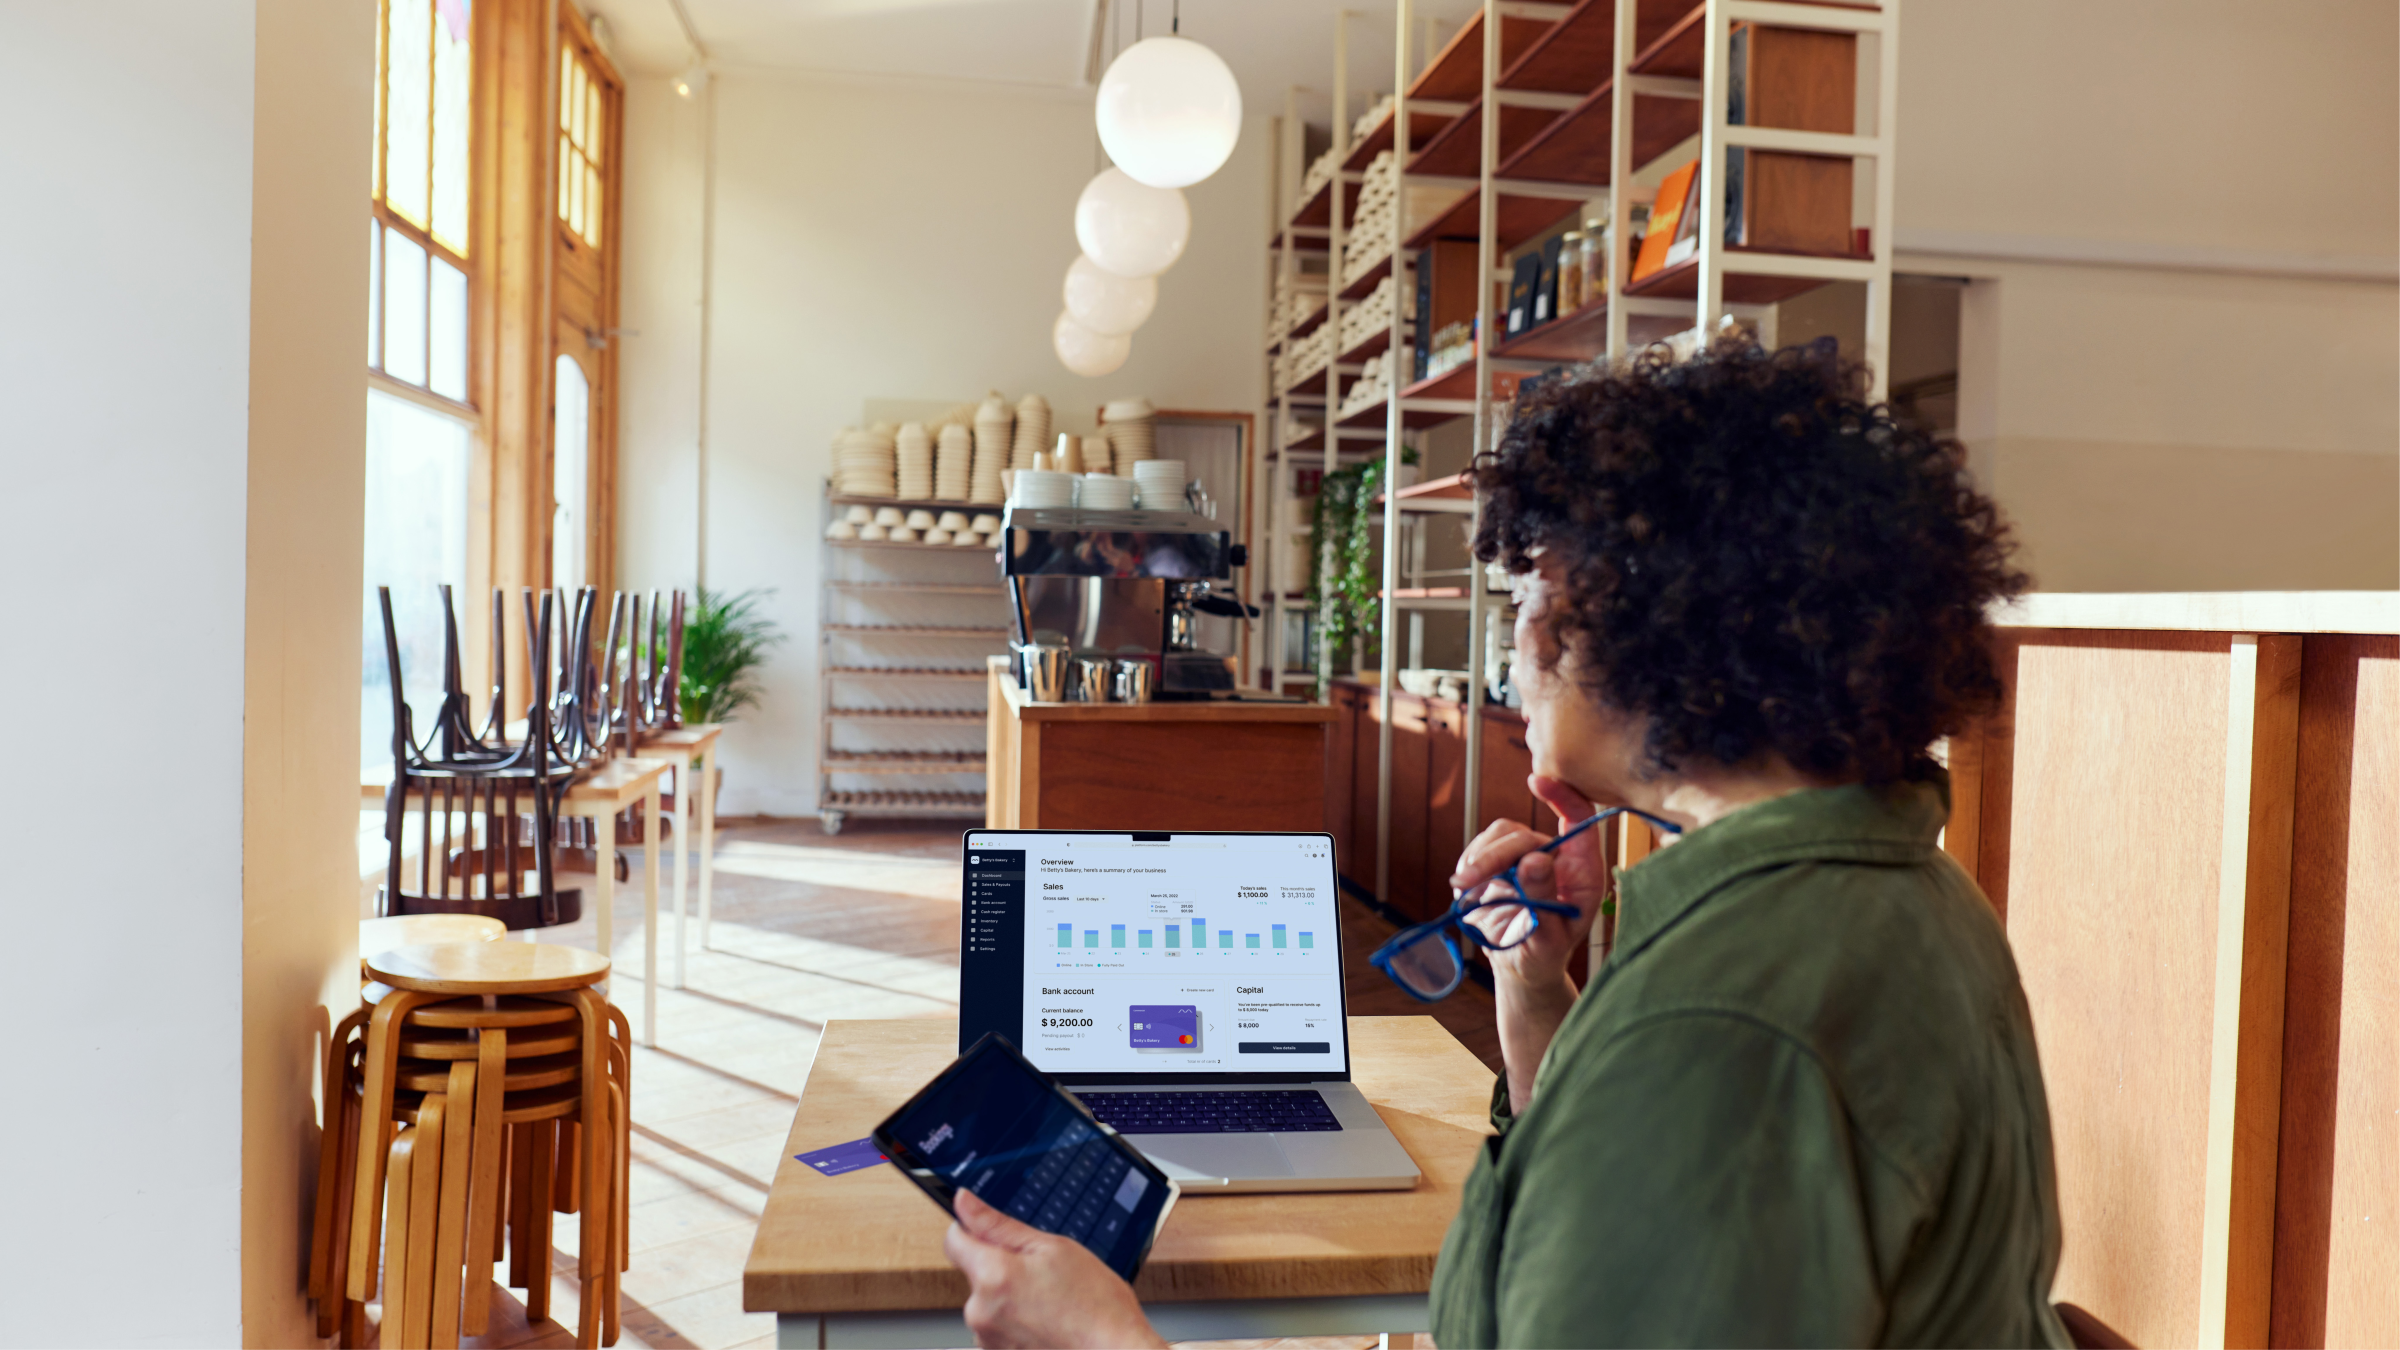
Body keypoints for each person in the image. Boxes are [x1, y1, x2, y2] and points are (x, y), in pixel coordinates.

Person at [941, 336, 2070, 1348]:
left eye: (1530, 587)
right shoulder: (1908, 895)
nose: (1515, 636)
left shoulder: (1720, 1022)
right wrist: (1535, 991)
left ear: (1640, 617)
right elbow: (1625, 1213)